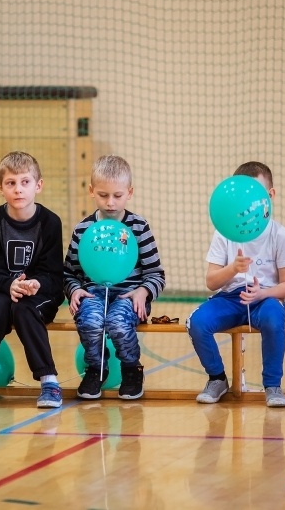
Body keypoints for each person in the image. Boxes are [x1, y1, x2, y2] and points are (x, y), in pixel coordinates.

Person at [187, 161, 285, 407]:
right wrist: (233, 269)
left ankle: (272, 386)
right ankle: (217, 378)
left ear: (270, 196)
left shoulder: (280, 235)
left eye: (257, 196)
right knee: (197, 322)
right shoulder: (224, 233)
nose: (249, 205)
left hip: (266, 297)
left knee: (272, 318)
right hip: (230, 298)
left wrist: (262, 293)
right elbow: (211, 282)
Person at [64, 155, 165, 400]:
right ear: (91, 191)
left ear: (129, 193)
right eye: (103, 195)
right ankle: (96, 369)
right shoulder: (82, 229)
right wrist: (74, 290)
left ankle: (132, 369)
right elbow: (69, 273)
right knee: (90, 321)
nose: (110, 203)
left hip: (129, 296)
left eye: (117, 196)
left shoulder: (139, 227)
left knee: (118, 322)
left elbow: (157, 274)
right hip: (93, 294)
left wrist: (144, 291)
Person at [0, 151, 65, 409]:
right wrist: (9, 285)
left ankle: (49, 381)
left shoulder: (50, 222)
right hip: (2, 290)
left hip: (41, 292)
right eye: (10, 183)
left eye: (25, 182)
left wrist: (34, 284)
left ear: (38, 185)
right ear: (0, 188)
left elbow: (52, 273)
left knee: (25, 309)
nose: (18, 189)